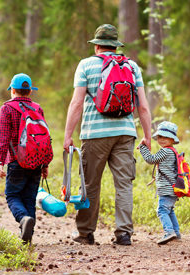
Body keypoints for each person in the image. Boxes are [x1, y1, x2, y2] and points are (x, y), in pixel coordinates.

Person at [62, 24, 155, 246]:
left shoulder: (85, 65)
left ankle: (85, 233)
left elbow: (77, 103)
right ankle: (124, 233)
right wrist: (147, 136)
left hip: (94, 134)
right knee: (124, 184)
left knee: (90, 184)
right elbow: (142, 106)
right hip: (125, 133)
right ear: (115, 46)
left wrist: (67, 135)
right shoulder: (132, 66)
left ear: (97, 46)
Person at [0, 73, 50, 244]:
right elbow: (44, 138)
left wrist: (0, 163)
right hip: (36, 161)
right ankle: (28, 237)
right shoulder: (37, 108)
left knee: (12, 195)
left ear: (12, 90)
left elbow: (3, 138)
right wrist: (45, 164)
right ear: (30, 92)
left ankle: (23, 219)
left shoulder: (7, 108)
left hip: (16, 161)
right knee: (29, 197)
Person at [140, 122, 183, 245]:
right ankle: (176, 233)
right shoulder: (172, 151)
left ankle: (169, 232)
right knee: (169, 210)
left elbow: (150, 159)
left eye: (166, 137)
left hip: (167, 188)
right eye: (160, 137)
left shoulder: (165, 151)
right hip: (173, 188)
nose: (162, 140)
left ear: (172, 139)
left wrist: (143, 147)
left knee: (162, 210)